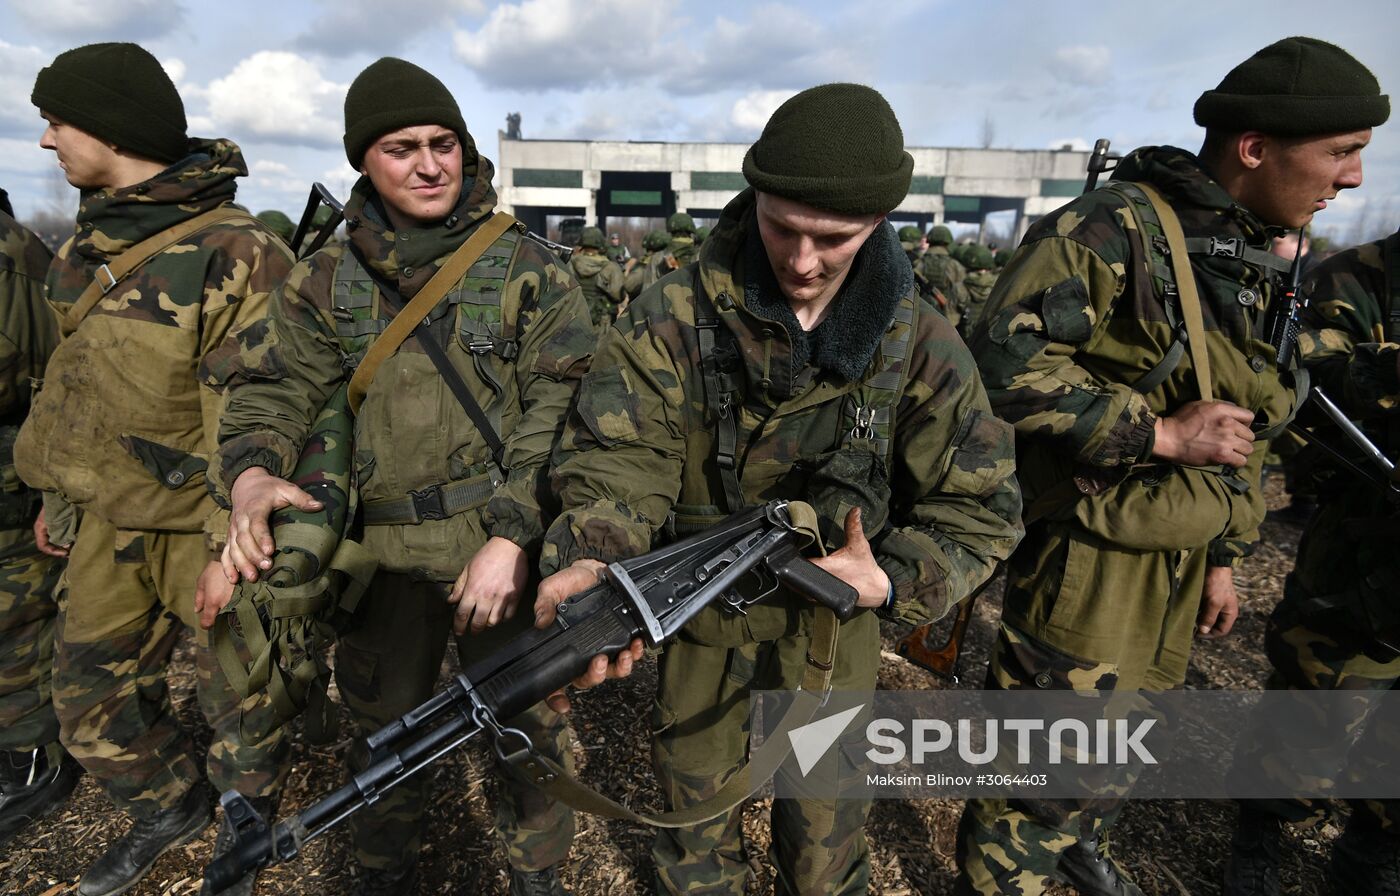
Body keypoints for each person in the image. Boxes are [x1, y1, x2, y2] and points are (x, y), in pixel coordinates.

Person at [535, 82, 1022, 896]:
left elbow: (981, 507)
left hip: (833, 623)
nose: (802, 262)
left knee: (824, 847)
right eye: (782, 228)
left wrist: (893, 578)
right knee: (693, 837)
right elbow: (617, 461)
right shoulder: (674, 313)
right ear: (752, 197)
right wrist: (593, 560)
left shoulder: (919, 343)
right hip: (698, 619)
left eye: (833, 239)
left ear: (881, 224)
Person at [955, 35, 1388, 896]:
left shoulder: (1258, 251)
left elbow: (1251, 409)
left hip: (1180, 549)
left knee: (1122, 740)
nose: (1353, 179)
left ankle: (1080, 848)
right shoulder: (1112, 227)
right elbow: (997, 366)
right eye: (1341, 153)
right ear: (1256, 149)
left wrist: (1225, 557)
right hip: (1095, 553)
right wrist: (1158, 435)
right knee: (1040, 772)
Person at [207, 57, 608, 896]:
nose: (430, 165)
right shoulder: (327, 278)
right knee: (386, 740)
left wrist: (509, 535)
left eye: (443, 143)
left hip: (507, 542)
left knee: (530, 732)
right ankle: (383, 875)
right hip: (383, 557)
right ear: (364, 161)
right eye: (401, 148)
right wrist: (250, 476)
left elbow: (564, 411)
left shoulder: (526, 268)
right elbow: (274, 390)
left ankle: (537, 879)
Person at [15, 41, 295, 896]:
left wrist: (228, 547)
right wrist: (62, 499)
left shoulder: (238, 253)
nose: (46, 141)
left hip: (204, 530)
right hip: (110, 524)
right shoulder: (85, 246)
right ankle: (170, 807)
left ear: (109, 126)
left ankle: (241, 845)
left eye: (57, 121)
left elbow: (254, 411)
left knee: (240, 714)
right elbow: (74, 389)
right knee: (87, 709)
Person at [1224, 227, 1400, 896]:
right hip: (1365, 551)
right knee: (1316, 709)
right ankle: (1261, 836)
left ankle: (1374, 850)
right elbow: (1306, 371)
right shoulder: (1363, 275)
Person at [0, 187, 75, 845]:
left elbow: (40, 378)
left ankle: (31, 762)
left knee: (16, 622)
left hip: (15, 476)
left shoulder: (13, 258)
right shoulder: (25, 252)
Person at [571, 225, 626, 332]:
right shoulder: (611, 267)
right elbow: (618, 296)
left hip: (575, 317)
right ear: (600, 242)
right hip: (602, 322)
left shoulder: (570, 263)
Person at [921, 224, 969, 325]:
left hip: (920, 314)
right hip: (946, 318)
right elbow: (962, 294)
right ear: (948, 241)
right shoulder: (955, 265)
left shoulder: (918, 262)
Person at [957, 244, 997, 339]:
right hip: (989, 340)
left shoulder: (959, 287)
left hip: (964, 340)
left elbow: (951, 320)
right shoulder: (999, 284)